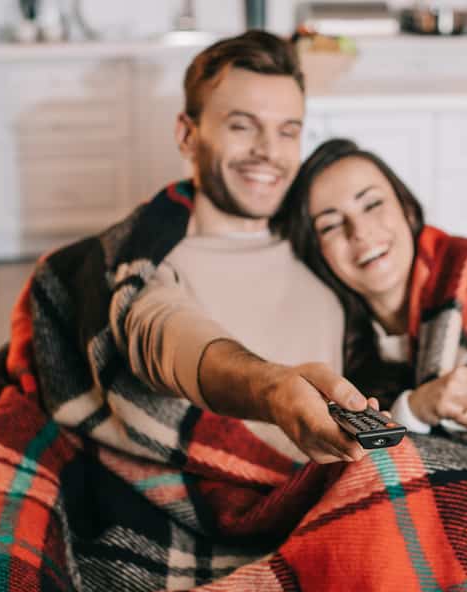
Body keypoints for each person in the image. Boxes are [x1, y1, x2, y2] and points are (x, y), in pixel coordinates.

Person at [119, 32, 374, 465]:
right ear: (187, 135)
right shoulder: (155, 259)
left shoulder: (320, 238)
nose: (269, 152)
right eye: (242, 126)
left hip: (338, 488)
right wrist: (270, 389)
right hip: (231, 497)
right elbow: (161, 335)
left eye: (287, 131)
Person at [276, 138, 467, 434]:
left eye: (372, 204)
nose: (360, 232)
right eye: (330, 226)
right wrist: (416, 409)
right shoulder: (331, 349)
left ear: (406, 208)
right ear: (317, 253)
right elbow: (357, 455)